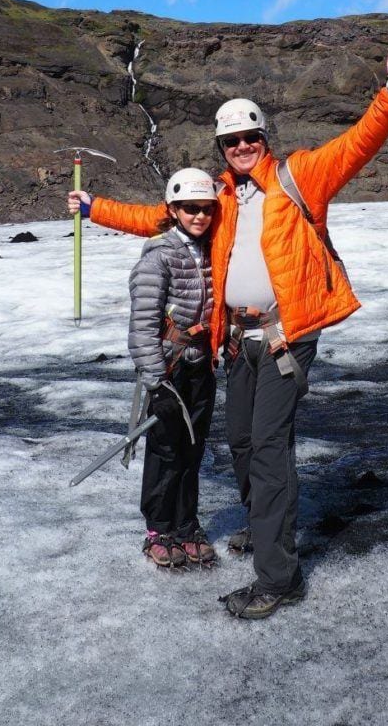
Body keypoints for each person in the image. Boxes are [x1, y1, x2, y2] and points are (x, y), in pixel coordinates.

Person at [68, 49, 388, 618]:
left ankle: (278, 578)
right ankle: (263, 529)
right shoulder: (224, 196)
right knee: (243, 444)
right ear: (222, 150)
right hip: (237, 340)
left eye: (249, 136)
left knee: (269, 451)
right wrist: (94, 209)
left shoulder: (299, 174)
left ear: (264, 135)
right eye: (231, 142)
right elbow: (158, 217)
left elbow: (359, 142)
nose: (241, 147)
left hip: (285, 338)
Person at [127, 167, 218, 570]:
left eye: (206, 208)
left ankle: (185, 524)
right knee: (165, 449)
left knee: (192, 449)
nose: (199, 215)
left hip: (201, 367)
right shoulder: (158, 257)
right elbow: (143, 325)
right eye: (190, 208)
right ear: (173, 209)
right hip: (169, 368)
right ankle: (158, 529)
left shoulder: (212, 249)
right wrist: (156, 382)